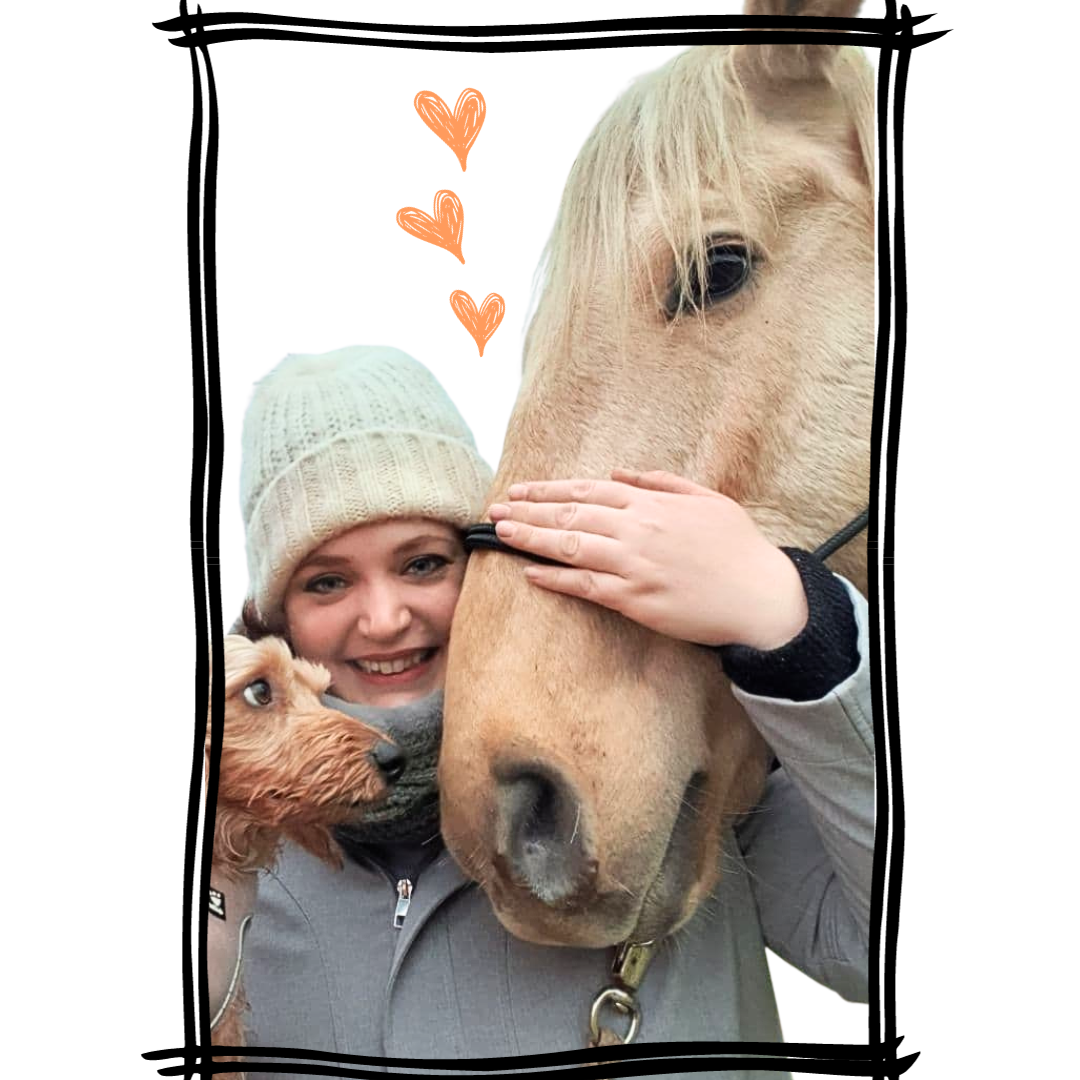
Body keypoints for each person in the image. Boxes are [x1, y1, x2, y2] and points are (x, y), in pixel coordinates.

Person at [227, 344, 873, 1079]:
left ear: (487, 562)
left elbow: (875, 947)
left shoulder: (670, 743)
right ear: (279, 618)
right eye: (326, 582)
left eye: (423, 564)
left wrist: (794, 627)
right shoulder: (222, 861)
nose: (384, 619)